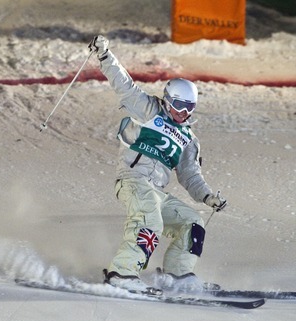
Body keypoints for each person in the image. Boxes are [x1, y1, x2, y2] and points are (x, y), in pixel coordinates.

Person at [88, 35, 227, 293]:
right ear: (168, 98)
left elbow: (190, 175)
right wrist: (105, 55)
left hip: (158, 192)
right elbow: (124, 86)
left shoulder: (188, 139)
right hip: (133, 181)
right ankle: (123, 272)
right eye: (179, 105)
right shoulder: (149, 110)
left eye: (189, 108)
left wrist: (208, 197)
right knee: (149, 219)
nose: (183, 113)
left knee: (192, 222)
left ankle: (179, 275)